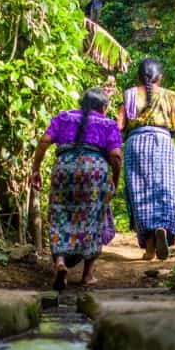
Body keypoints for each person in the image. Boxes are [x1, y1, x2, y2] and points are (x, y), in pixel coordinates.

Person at [31, 88, 122, 289]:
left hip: (64, 168)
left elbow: (45, 141)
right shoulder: (108, 124)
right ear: (104, 108)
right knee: (93, 216)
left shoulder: (64, 117)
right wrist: (115, 180)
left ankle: (61, 262)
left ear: (82, 104)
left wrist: (35, 169)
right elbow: (115, 156)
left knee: (59, 213)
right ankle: (87, 275)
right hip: (95, 171)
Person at [116, 58, 175, 260]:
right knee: (166, 189)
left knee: (140, 192)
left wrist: (112, 152)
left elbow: (118, 127)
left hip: (135, 145)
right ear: (160, 77)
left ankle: (150, 248)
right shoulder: (170, 96)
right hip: (163, 144)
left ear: (138, 77)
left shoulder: (129, 95)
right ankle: (163, 227)